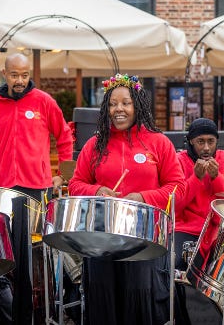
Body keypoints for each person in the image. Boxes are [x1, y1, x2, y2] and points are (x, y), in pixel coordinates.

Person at [68, 73, 185, 325]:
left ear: (138, 105)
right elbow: (75, 185)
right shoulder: (95, 145)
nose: (117, 109)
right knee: (103, 305)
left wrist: (142, 197)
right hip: (100, 240)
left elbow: (178, 188)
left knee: (140, 306)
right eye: (112, 104)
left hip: (144, 242)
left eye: (125, 103)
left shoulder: (158, 143)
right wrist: (97, 191)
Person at [0, 53, 73, 203]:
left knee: (38, 228)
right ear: (5, 73)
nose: (20, 81)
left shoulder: (44, 101)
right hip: (4, 188)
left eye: (25, 75)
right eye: (14, 75)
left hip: (39, 186)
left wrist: (63, 175)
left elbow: (65, 136)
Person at [174, 118, 224, 271]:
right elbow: (175, 205)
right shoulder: (178, 161)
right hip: (186, 229)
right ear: (191, 141)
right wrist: (196, 179)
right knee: (175, 263)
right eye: (200, 142)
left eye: (211, 142)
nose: (206, 148)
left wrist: (216, 178)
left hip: (220, 230)